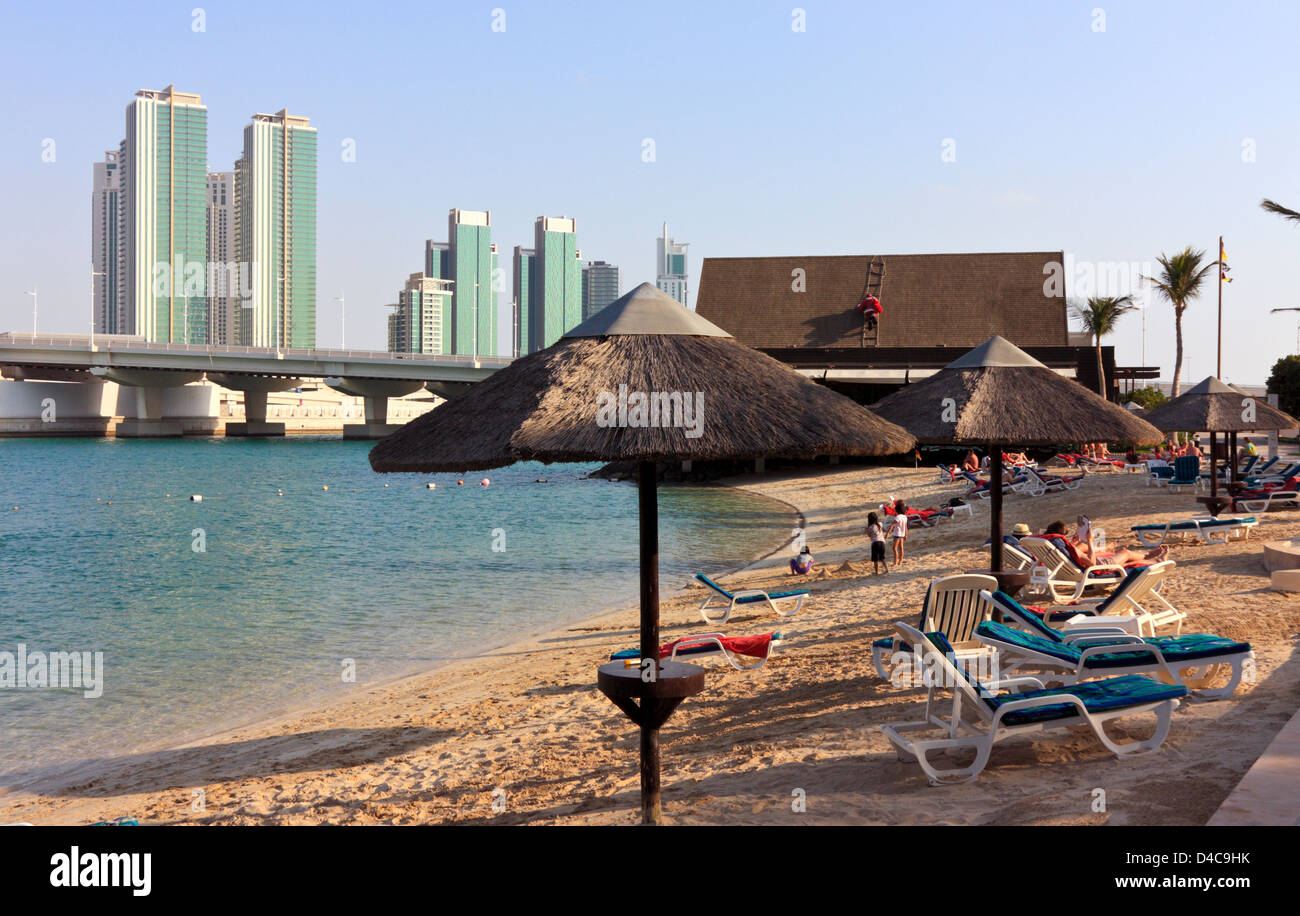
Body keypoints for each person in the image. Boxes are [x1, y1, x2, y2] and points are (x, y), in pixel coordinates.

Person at [1042, 520, 1166, 568]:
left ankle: (1151, 557)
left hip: (1071, 566)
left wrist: (1073, 543)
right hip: (1098, 566)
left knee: (1122, 555)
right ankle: (1152, 558)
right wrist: (1089, 540)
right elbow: (1092, 563)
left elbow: (1071, 554)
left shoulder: (1050, 545)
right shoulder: (1062, 546)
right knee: (1126, 554)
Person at [888, 499, 909, 566]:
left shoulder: (897, 517)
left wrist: (887, 533)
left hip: (897, 535)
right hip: (902, 535)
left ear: (897, 510)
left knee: (894, 548)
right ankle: (901, 560)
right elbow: (906, 527)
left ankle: (895, 562)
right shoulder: (905, 517)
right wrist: (906, 535)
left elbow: (892, 525)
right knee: (901, 548)